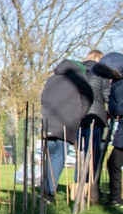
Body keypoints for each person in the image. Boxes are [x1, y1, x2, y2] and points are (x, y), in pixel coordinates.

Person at [40, 59, 94, 201]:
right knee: (59, 155)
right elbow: (89, 98)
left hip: (48, 121)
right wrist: (79, 116)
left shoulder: (51, 79)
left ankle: (45, 189)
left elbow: (43, 98)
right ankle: (49, 192)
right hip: (67, 122)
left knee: (50, 155)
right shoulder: (80, 79)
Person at [79, 49, 111, 202]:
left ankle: (81, 187)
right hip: (96, 117)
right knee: (94, 153)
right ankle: (93, 188)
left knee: (81, 152)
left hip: (79, 117)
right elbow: (107, 96)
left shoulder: (78, 73)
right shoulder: (101, 74)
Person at [93, 52, 123, 208]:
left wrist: (115, 110)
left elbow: (118, 106)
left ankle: (116, 198)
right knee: (113, 163)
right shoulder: (116, 83)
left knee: (114, 163)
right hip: (121, 128)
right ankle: (115, 198)